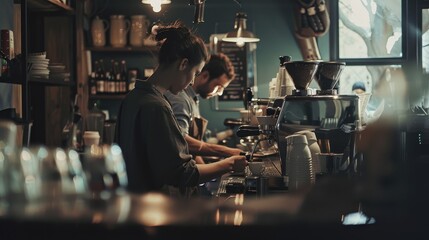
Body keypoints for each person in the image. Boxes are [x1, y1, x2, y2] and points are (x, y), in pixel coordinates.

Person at [114, 21, 247, 197]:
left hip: (133, 203)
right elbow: (182, 174)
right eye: (195, 73)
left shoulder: (132, 98)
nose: (192, 81)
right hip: (156, 208)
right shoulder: (157, 106)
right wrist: (229, 164)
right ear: (183, 64)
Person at [164, 53, 243, 164]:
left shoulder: (193, 99)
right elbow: (180, 141)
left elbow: (193, 153)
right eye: (219, 86)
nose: (219, 93)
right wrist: (227, 152)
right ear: (205, 75)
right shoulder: (180, 98)